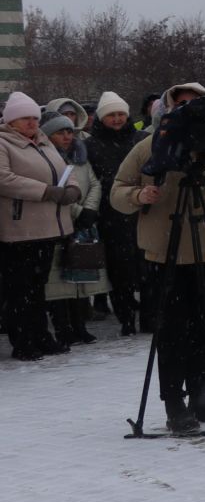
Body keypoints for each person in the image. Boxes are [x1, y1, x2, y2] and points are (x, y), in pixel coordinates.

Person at [108, 90, 205, 434]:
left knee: (204, 328)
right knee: (172, 331)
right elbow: (117, 190)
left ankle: (202, 399)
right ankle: (174, 404)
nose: (189, 110)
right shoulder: (150, 146)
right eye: (181, 103)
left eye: (195, 102)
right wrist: (138, 195)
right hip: (164, 252)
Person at [0, 92, 76, 360]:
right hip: (19, 229)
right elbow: (4, 179)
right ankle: (23, 341)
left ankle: (41, 335)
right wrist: (45, 191)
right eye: (25, 118)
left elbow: (64, 169)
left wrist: (73, 188)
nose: (32, 123)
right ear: (11, 121)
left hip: (48, 227)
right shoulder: (3, 142)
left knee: (38, 287)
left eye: (34, 117)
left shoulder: (44, 142)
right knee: (20, 289)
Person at [39, 112, 103, 346]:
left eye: (69, 131)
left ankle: (79, 326)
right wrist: (78, 211)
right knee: (59, 283)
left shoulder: (80, 155)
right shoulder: (46, 157)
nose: (66, 136)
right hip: (59, 221)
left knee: (80, 279)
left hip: (84, 223)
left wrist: (90, 209)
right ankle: (63, 328)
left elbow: (94, 183)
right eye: (60, 132)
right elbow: (58, 190)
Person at [86, 92, 145, 335]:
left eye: (121, 114)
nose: (118, 119)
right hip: (111, 215)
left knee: (148, 266)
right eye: (112, 115)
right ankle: (126, 316)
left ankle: (151, 315)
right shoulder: (90, 145)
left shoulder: (141, 139)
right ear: (102, 118)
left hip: (144, 211)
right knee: (120, 271)